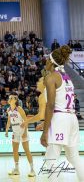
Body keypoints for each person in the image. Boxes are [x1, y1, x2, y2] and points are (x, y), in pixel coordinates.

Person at [40, 45, 84, 181]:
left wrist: (45, 131)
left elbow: (51, 105)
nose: (45, 62)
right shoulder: (66, 77)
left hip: (59, 119)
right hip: (72, 118)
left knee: (51, 159)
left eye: (47, 60)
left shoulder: (51, 78)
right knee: (73, 157)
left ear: (51, 61)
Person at [5, 92, 35, 177]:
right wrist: (6, 130)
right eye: (9, 98)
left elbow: (26, 120)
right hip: (15, 130)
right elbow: (8, 121)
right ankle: (16, 169)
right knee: (15, 150)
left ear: (15, 100)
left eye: (11, 98)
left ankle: (32, 169)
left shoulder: (19, 109)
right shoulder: (8, 110)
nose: (9, 99)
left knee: (26, 150)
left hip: (22, 129)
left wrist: (25, 132)